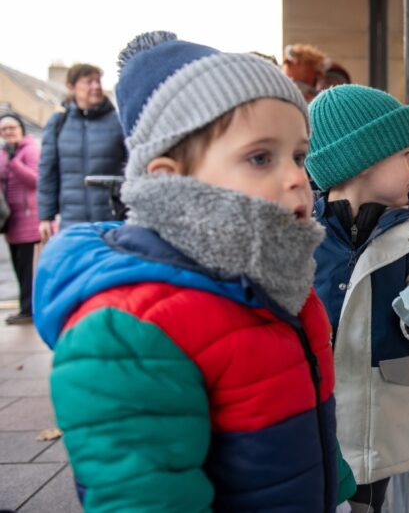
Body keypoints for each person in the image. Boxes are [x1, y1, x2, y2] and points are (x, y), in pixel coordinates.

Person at [33, 31, 354, 511]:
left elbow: (308, 423)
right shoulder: (130, 332)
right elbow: (146, 496)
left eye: (299, 156)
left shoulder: (281, 284)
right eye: (261, 157)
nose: (295, 177)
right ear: (170, 180)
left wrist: (339, 492)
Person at [306, 84, 409, 513]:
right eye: (405, 154)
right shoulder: (299, 237)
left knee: (367, 503)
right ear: (362, 162)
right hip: (314, 420)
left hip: (380, 421)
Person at [36, 63, 126, 237]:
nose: (96, 86)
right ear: (71, 86)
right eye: (88, 81)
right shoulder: (58, 123)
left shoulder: (118, 122)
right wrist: (45, 217)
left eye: (98, 81)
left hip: (111, 220)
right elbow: (47, 172)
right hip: (72, 222)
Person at [0, 113, 40, 325]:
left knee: (28, 269)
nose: (8, 132)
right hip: (10, 220)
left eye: (11, 127)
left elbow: (35, 180)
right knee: (18, 266)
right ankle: (25, 307)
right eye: (3, 129)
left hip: (30, 218)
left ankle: (28, 309)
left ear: (21, 128)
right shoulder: (2, 153)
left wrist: (14, 162)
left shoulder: (30, 150)